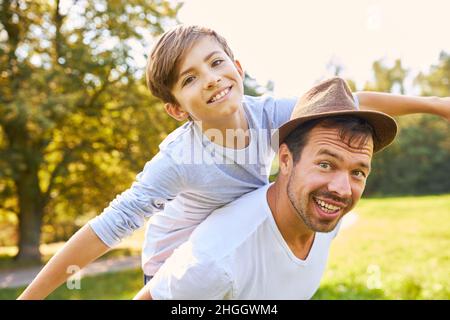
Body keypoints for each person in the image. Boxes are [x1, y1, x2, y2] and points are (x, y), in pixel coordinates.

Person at [18, 25, 450, 300]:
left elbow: (354, 100)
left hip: (242, 246)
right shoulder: (179, 159)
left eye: (216, 62)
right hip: (177, 267)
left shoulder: (271, 113)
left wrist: (435, 104)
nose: (211, 78)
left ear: (238, 67)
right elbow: (107, 227)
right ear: (176, 109)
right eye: (190, 78)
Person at [133, 77, 398, 299]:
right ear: (285, 160)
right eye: (326, 164)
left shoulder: (323, 215)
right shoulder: (217, 258)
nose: (342, 189)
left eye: (358, 172)